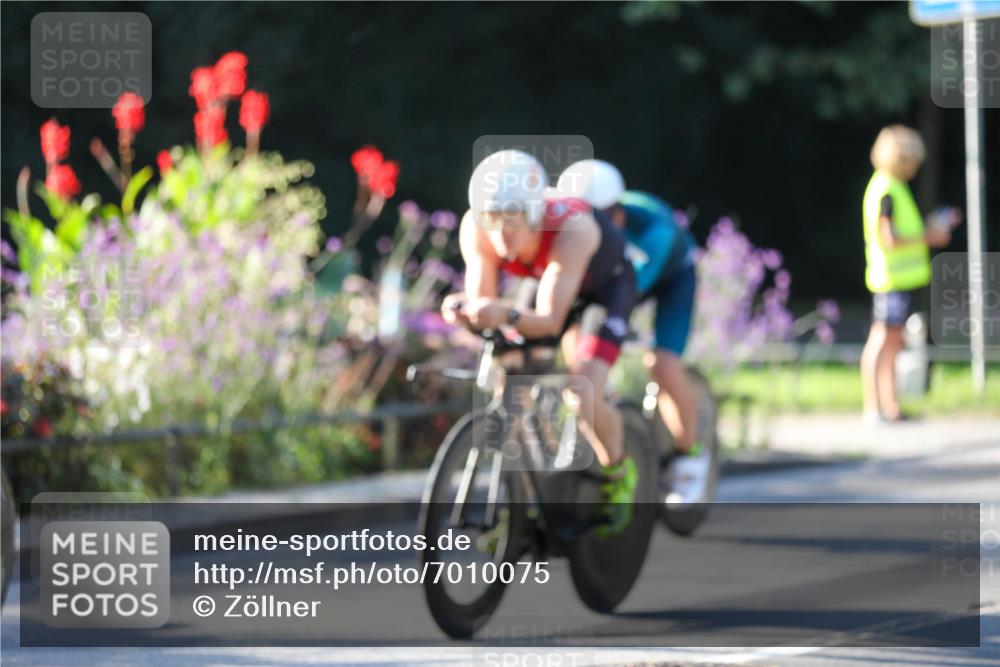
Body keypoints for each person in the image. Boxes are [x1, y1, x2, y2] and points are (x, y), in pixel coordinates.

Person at [440, 149, 639, 536]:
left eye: (513, 223)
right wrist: (465, 314)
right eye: (492, 221)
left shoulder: (573, 229)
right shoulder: (474, 228)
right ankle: (531, 486)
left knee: (583, 392)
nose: (501, 236)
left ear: (536, 216)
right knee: (510, 377)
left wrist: (505, 314)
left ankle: (618, 474)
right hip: (550, 277)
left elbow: (548, 319)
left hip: (605, 289)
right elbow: (487, 314)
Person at [557, 160, 709, 506]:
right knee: (575, 331)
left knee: (663, 365)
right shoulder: (590, 224)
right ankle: (601, 399)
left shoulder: (655, 232)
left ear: (617, 217)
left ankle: (690, 454)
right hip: (621, 273)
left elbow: (622, 299)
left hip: (670, 279)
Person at [860, 125, 959, 424]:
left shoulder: (890, 186)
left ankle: (891, 406)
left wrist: (927, 229)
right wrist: (928, 237)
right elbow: (889, 237)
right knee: (882, 341)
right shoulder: (887, 189)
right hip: (890, 279)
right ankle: (873, 407)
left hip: (896, 279)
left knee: (893, 343)